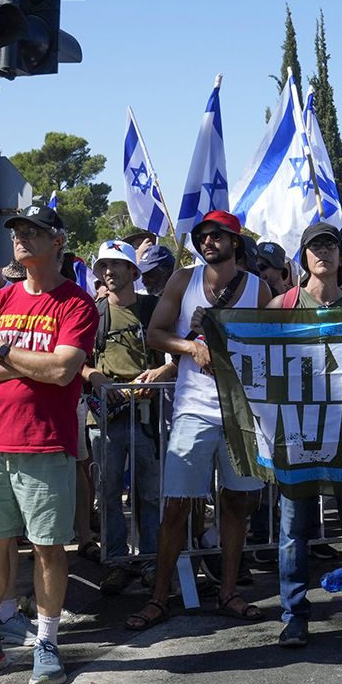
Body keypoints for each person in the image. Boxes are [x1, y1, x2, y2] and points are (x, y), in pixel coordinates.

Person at [0, 204, 98, 684]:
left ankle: (47, 642)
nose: (22, 238)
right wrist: (36, 362)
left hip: (47, 443)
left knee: (48, 548)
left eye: (35, 231)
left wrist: (6, 352)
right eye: (17, 231)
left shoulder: (76, 303)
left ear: (58, 242)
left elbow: (62, 370)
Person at [127, 211, 268, 633]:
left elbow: (272, 342)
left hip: (241, 411)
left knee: (237, 504)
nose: (207, 241)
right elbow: (154, 333)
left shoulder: (259, 288)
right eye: (202, 236)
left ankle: (229, 591)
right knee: (176, 505)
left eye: (216, 235)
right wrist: (190, 345)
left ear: (235, 242)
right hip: (193, 407)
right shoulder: (182, 280)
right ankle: (159, 598)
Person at [266, 223, 342, 648]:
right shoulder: (282, 306)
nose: (323, 253)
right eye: (315, 246)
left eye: (330, 244)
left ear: (341, 255)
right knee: (293, 533)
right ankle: (294, 616)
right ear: (304, 256)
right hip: (295, 435)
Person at [82, 240, 171, 596]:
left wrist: (160, 375)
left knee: (150, 493)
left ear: (133, 271)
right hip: (106, 416)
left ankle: (151, 561)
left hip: (149, 415)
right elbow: (77, 360)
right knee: (108, 493)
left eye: (117, 264)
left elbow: (175, 352)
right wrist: (96, 378)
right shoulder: (92, 312)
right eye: (103, 265)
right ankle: (115, 562)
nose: (109, 271)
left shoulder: (153, 309)